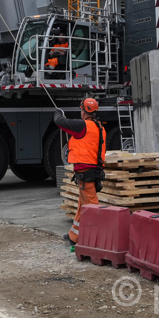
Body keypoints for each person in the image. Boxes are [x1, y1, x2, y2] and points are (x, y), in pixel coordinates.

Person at [54, 98, 107, 245]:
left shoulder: (83, 126)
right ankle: (74, 237)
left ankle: (100, 240)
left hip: (86, 172)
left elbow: (60, 123)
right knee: (82, 205)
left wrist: (58, 114)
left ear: (84, 111)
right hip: (94, 171)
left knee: (91, 205)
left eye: (81, 110)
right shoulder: (100, 128)